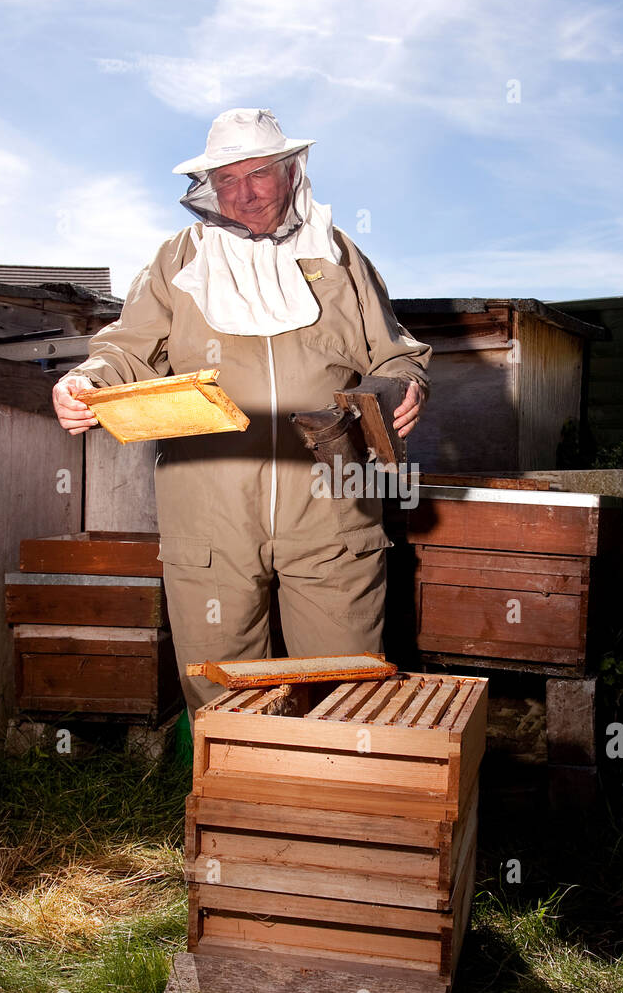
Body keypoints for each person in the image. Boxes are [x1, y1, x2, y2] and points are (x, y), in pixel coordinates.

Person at [53, 108, 431, 715]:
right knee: (223, 687)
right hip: (208, 508)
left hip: (333, 501)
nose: (244, 192)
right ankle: (240, 806)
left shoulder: (338, 255)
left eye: (258, 174)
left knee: (346, 687)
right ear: (208, 186)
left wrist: (404, 386)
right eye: (227, 179)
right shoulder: (177, 260)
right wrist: (84, 381)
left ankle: (331, 804)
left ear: (291, 172)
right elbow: (124, 351)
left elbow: (394, 355)